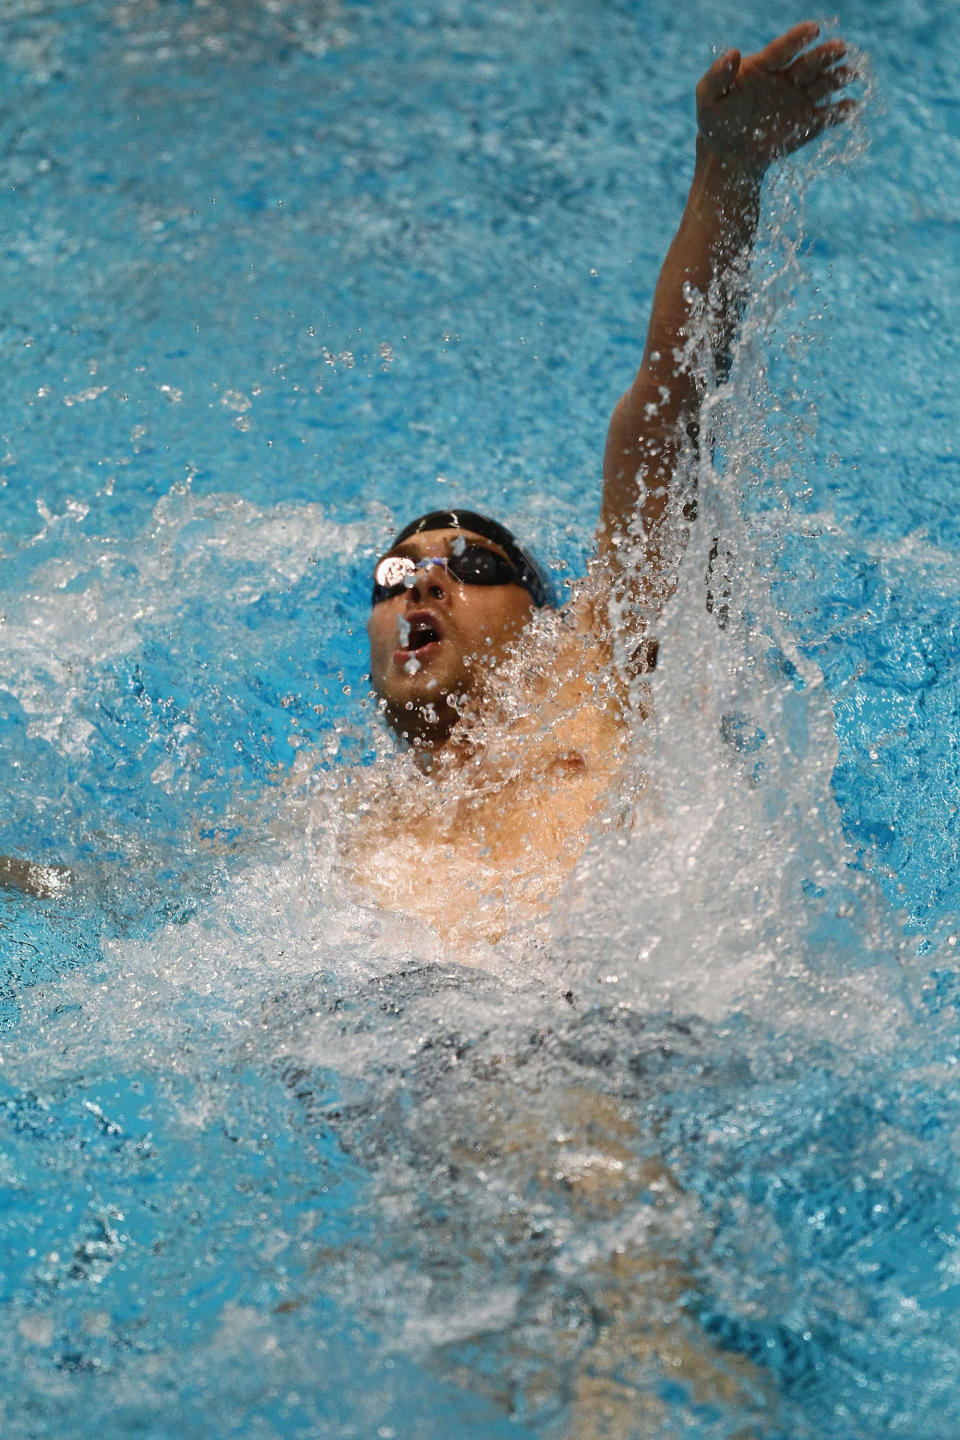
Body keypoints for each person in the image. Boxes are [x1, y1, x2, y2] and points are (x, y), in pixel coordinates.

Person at [347, 22, 857, 947]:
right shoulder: (341, 821)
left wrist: (727, 176)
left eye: (470, 563)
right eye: (395, 574)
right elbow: (140, 909)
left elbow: (661, 415)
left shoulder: (598, 679)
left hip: (594, 1040)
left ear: (546, 617)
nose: (422, 583)